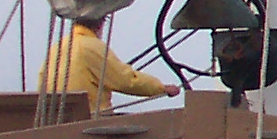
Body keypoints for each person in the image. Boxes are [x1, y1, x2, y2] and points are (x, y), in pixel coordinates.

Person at [39, 18, 181, 115]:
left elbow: (42, 80)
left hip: (58, 117)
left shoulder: (58, 47)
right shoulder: (91, 46)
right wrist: (161, 88)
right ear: (100, 25)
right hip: (89, 118)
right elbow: (125, 80)